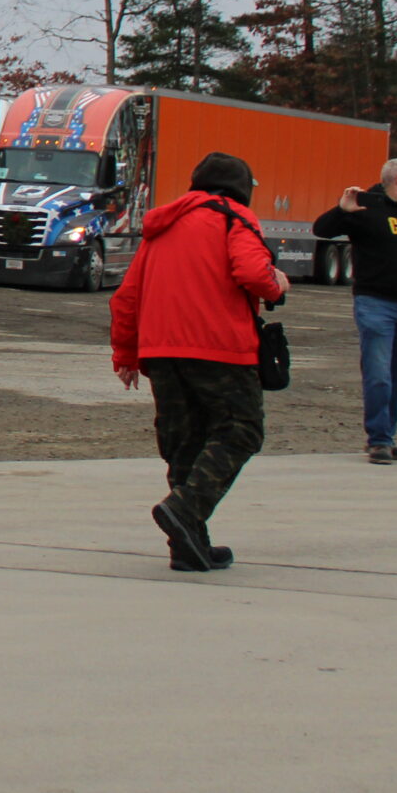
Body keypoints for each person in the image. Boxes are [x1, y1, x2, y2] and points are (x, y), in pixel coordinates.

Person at [110, 151, 287, 572]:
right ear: (241, 188)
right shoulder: (234, 217)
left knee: (183, 444)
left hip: (161, 352)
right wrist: (276, 285)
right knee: (241, 430)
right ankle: (186, 510)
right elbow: (251, 272)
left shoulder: (161, 228)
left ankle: (188, 546)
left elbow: (126, 298)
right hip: (219, 347)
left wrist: (126, 355)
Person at [312, 158, 397, 465]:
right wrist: (342, 210)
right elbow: (321, 229)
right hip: (376, 305)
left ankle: (387, 436)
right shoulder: (366, 211)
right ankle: (378, 440)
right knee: (379, 375)